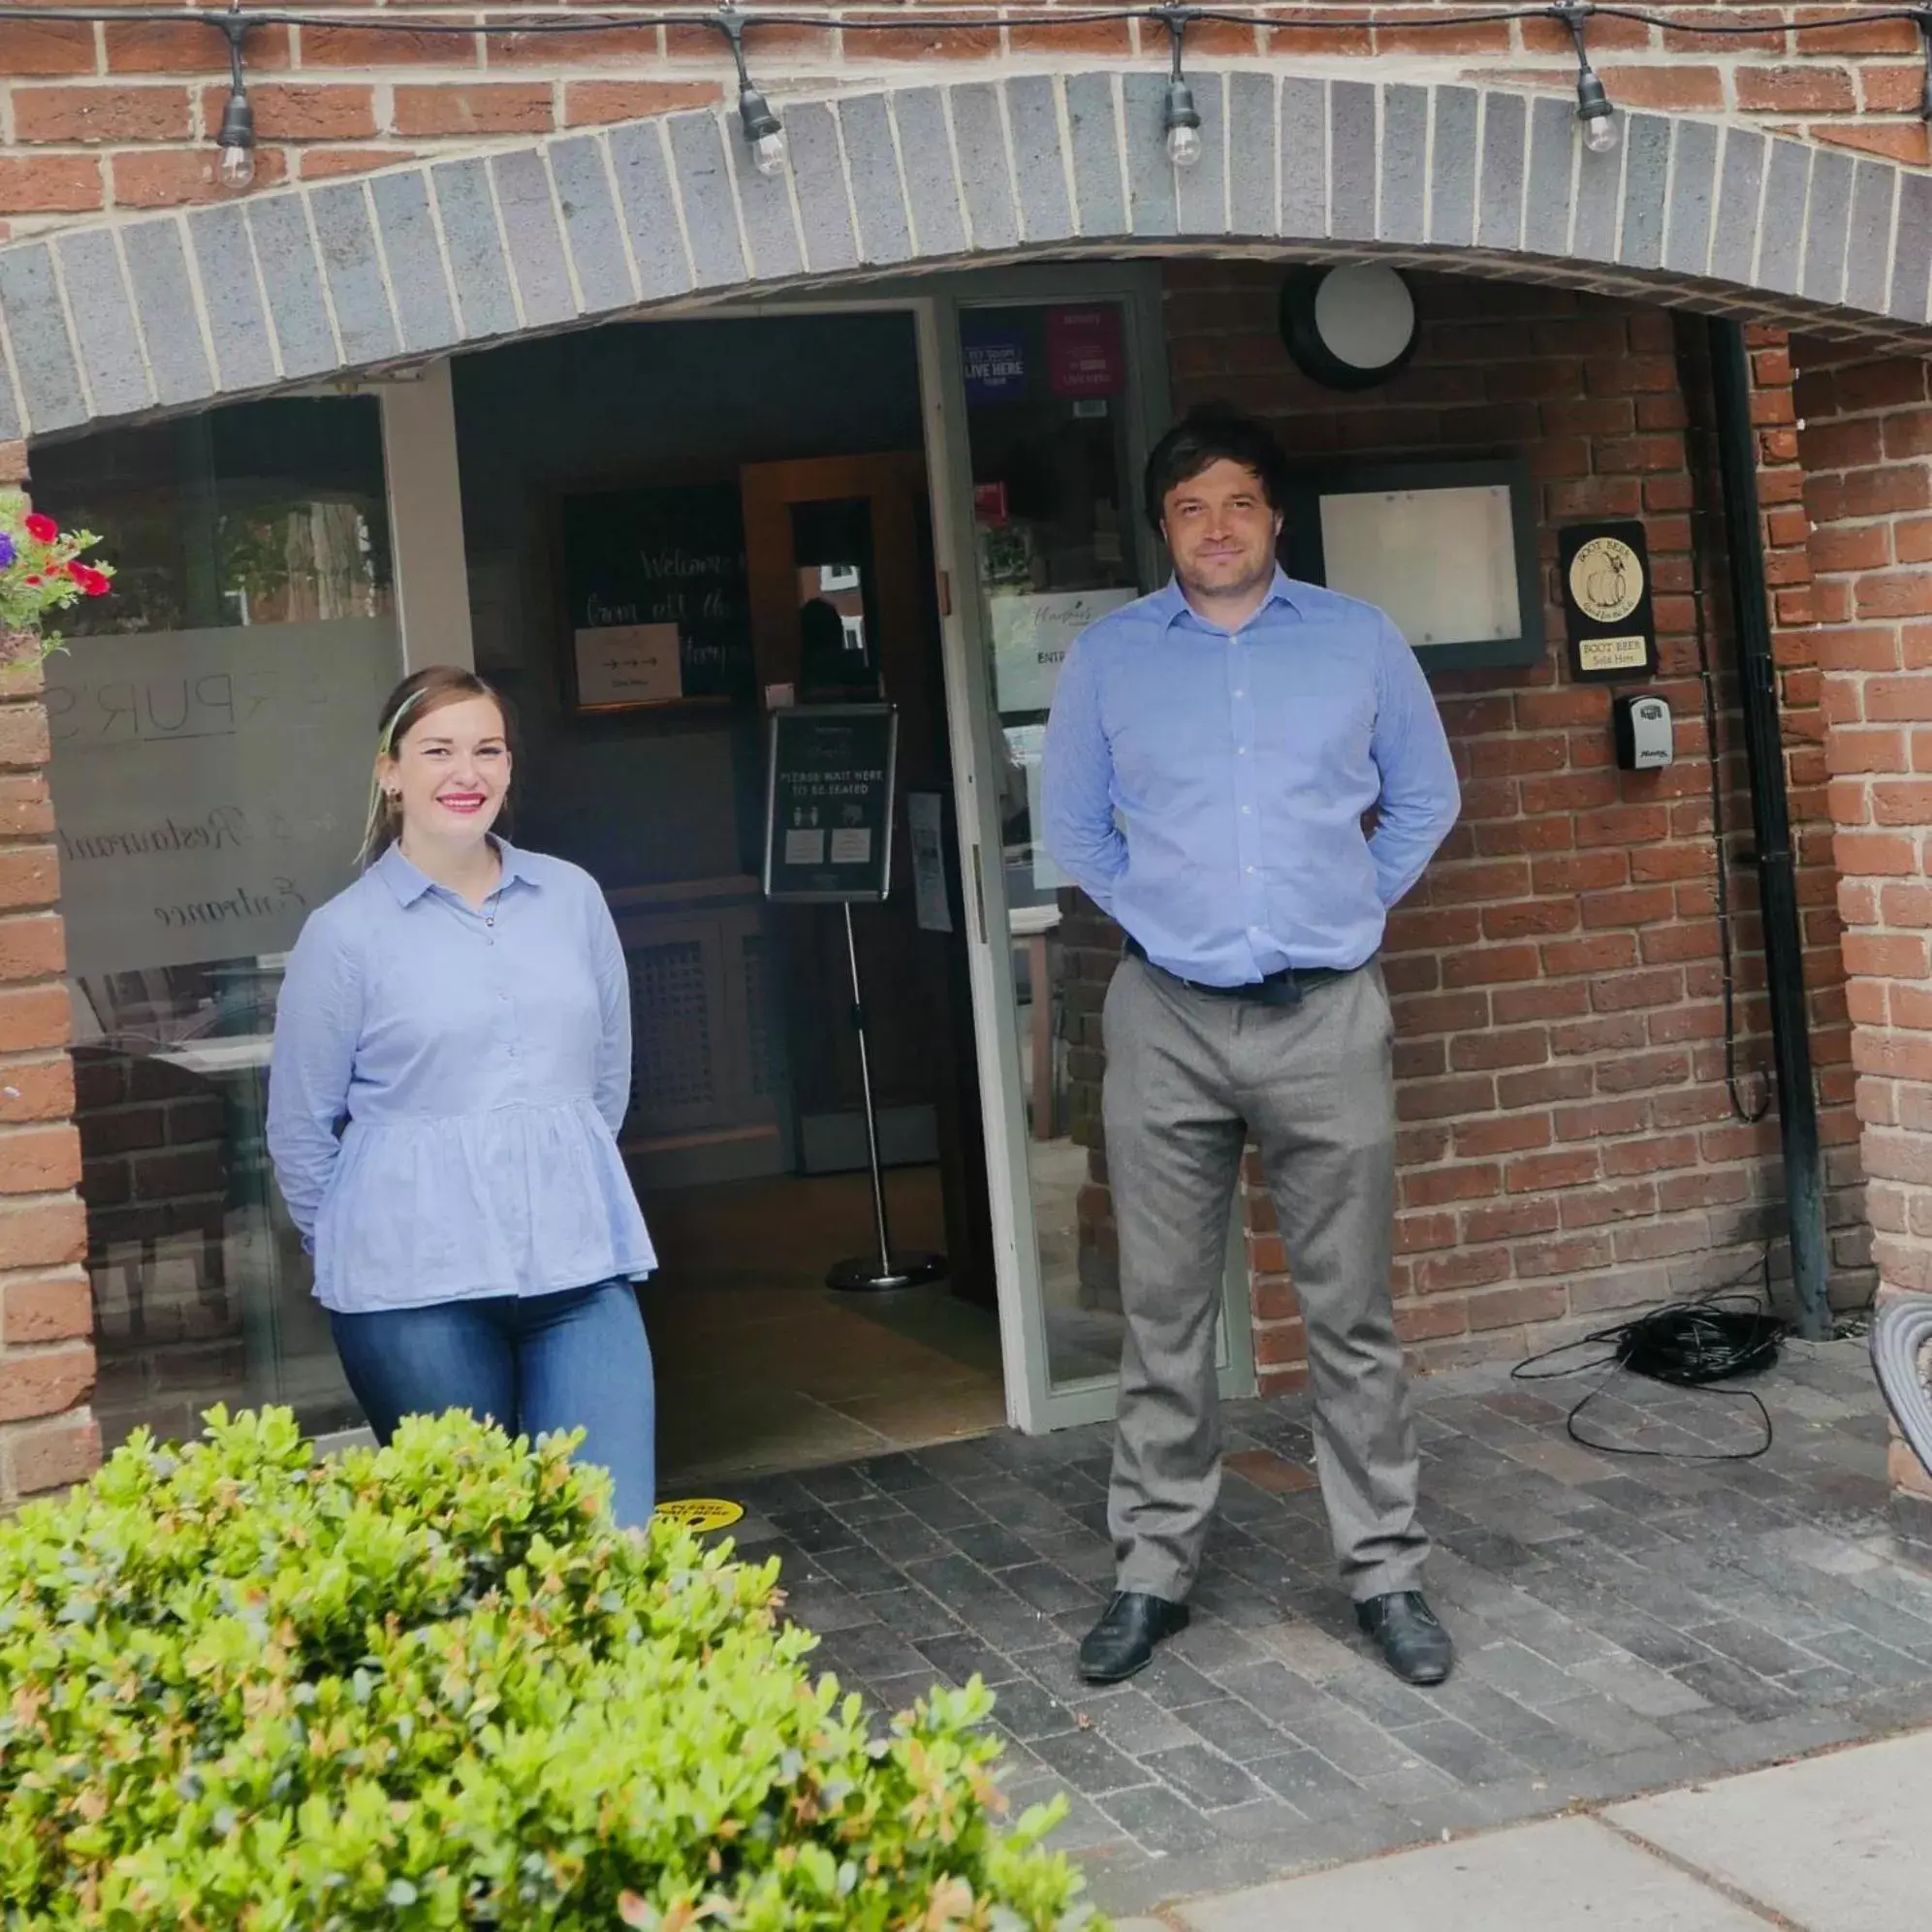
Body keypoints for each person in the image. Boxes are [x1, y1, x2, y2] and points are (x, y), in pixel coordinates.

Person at [1041, 405, 1461, 1687]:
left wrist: (1349, 903)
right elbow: (1073, 828)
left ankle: (1384, 1571)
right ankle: (1151, 1572)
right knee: (1164, 1319)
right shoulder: (1109, 658)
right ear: (1162, 527)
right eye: (1186, 508)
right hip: (1165, 1016)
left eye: (1235, 502)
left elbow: (1427, 794)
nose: (1213, 527)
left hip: (1326, 1012)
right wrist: (1165, 918)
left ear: (1273, 515)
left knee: (1351, 1315)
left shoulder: (1357, 640)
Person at [267, 665, 659, 1528]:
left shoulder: (572, 898)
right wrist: (349, 1244)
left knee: (612, 1539)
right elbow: (299, 1128)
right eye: (437, 749)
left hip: (576, 1271)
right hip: (413, 1295)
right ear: (390, 773)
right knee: (472, 1555)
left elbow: (606, 1079)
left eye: (487, 749)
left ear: (510, 770)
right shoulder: (343, 935)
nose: (465, 771)